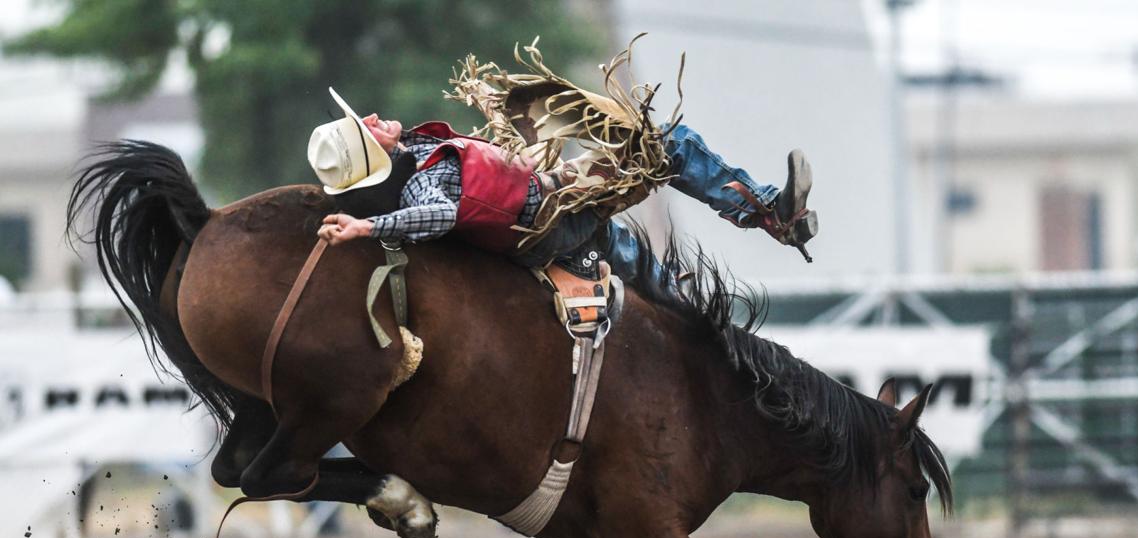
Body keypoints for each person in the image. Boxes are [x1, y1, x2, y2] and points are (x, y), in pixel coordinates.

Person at [309, 86, 818, 282]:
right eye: (366, 125)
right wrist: (366, 227)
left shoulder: (421, 150)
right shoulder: (422, 180)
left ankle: (707, 330)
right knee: (668, 144)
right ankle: (772, 215)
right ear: (372, 151)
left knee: (655, 283)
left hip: (554, 203)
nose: (374, 114)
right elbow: (440, 213)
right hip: (553, 211)